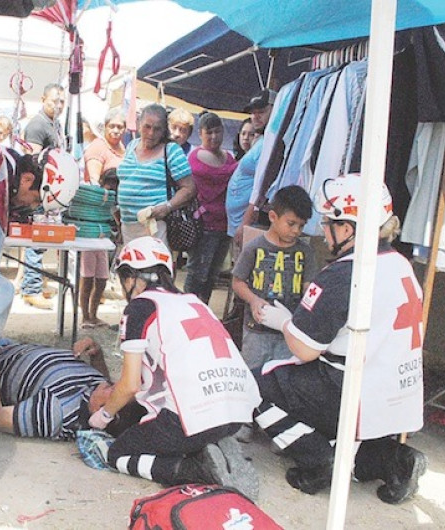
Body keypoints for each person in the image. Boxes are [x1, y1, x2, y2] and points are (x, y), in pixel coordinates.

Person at [255, 174, 427, 504]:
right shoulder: (400, 265)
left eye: (327, 223)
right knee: (343, 435)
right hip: (396, 392)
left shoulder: (345, 272)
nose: (322, 230)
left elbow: (304, 349)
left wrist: (283, 322)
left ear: (347, 228)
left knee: (255, 385)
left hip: (351, 392)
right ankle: (396, 460)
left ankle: (318, 462)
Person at [88, 236, 262, 499]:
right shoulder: (194, 301)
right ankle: (210, 445)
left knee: (118, 453)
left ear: (130, 278)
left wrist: (102, 417)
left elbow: (130, 385)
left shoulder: (140, 308)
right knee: (163, 428)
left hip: (193, 418)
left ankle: (196, 470)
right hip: (237, 414)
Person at [232, 185, 317, 371]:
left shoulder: (306, 252)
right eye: (291, 223)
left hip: (289, 332)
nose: (296, 231)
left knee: (283, 376)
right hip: (256, 330)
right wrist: (253, 300)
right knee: (253, 376)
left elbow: (308, 286)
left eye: (301, 226)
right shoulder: (254, 248)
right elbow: (237, 282)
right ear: (272, 217)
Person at [116, 104, 195, 246]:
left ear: (164, 130)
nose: (151, 133)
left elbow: (189, 189)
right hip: (127, 227)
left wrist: (167, 207)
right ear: (139, 124)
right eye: (147, 127)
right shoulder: (131, 146)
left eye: (157, 129)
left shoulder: (171, 151)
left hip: (157, 227)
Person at [183, 112, 237, 303]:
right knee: (198, 273)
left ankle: (203, 309)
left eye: (217, 132)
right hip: (203, 226)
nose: (214, 137)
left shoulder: (229, 158)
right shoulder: (194, 159)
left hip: (225, 225)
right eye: (209, 133)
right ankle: (188, 309)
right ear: (200, 134)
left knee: (213, 275)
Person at [79, 109, 126, 329]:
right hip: (91, 228)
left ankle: (93, 315)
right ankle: (86, 316)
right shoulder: (97, 148)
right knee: (88, 276)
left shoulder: (122, 149)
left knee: (102, 277)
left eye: (120, 126)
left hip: (106, 231)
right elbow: (95, 184)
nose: (116, 130)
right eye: (112, 126)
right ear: (105, 127)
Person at [21, 83, 67, 309]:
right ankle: (31, 289)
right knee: (37, 240)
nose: (58, 105)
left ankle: (35, 283)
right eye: (54, 101)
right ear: (43, 99)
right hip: (41, 191)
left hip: (52, 192)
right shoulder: (37, 125)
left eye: (62, 102)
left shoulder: (55, 124)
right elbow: (32, 161)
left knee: (44, 239)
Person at [228, 90, 276, 252]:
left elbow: (261, 187)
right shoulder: (263, 139)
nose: (255, 116)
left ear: (274, 109)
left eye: (261, 111)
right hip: (242, 222)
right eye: (253, 113)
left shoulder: (273, 142)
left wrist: (245, 223)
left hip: (253, 223)